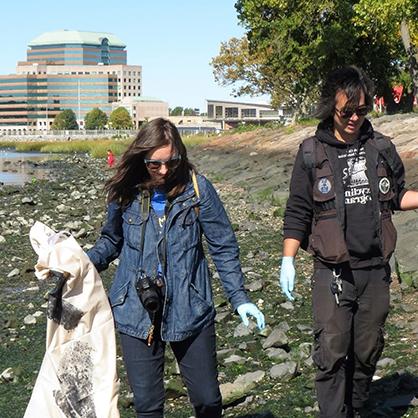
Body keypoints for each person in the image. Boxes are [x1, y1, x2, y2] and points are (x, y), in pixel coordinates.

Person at [87, 118, 265, 418]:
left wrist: (239, 297)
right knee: (147, 407)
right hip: (135, 310)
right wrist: (81, 262)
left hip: (190, 307)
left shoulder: (198, 190)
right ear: (141, 159)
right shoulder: (126, 193)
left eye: (171, 162)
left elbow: (223, 245)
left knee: (208, 401)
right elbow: (111, 240)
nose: (164, 171)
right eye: (154, 164)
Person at [279, 66, 418, 418]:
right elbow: (298, 211)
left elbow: (397, 196)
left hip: (375, 269)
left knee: (368, 348)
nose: (355, 117)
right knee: (331, 349)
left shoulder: (381, 147)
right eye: (347, 111)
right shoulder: (311, 153)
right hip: (333, 271)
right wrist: (288, 260)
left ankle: (356, 404)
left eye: (361, 110)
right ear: (331, 108)